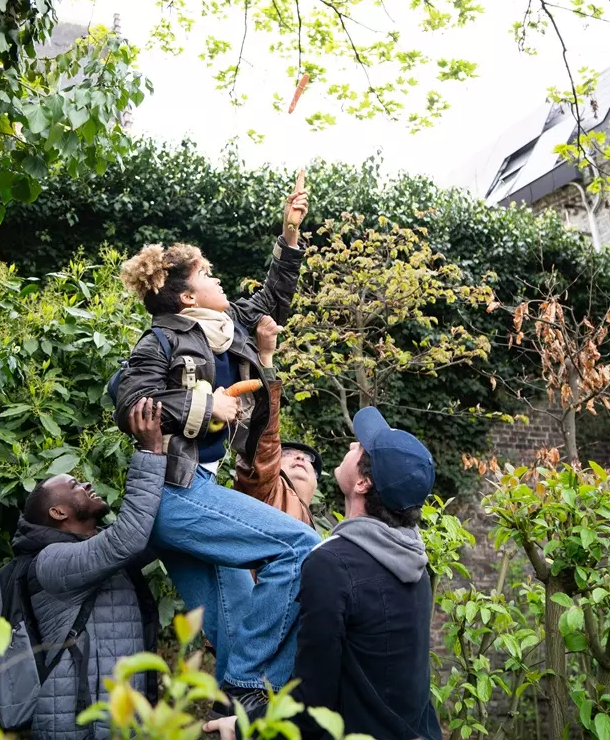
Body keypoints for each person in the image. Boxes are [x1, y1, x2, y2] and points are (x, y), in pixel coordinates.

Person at [114, 186, 321, 707]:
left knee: (235, 630)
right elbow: (131, 400)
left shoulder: (231, 331)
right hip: (173, 492)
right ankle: (255, 690)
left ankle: (236, 710)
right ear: (187, 298)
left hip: (197, 490)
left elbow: (275, 293)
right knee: (300, 547)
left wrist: (290, 232)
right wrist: (207, 407)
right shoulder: (159, 341)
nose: (217, 277)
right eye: (207, 274)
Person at [205, 406, 443, 740]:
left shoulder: (333, 565)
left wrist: (244, 725)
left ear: (362, 482)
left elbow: (313, 700)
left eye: (359, 448)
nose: (350, 446)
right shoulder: (414, 562)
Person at [8, 399, 166, 740]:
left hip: (115, 723)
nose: (87, 484)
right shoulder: (51, 562)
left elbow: (156, 532)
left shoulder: (101, 552)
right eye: (76, 485)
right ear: (59, 513)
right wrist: (150, 453)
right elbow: (129, 538)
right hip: (74, 728)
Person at [233, 315, 320, 527]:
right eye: (287, 454)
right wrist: (265, 356)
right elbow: (265, 439)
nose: (299, 457)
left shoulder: (319, 535)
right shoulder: (266, 489)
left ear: (317, 483)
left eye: (307, 459)